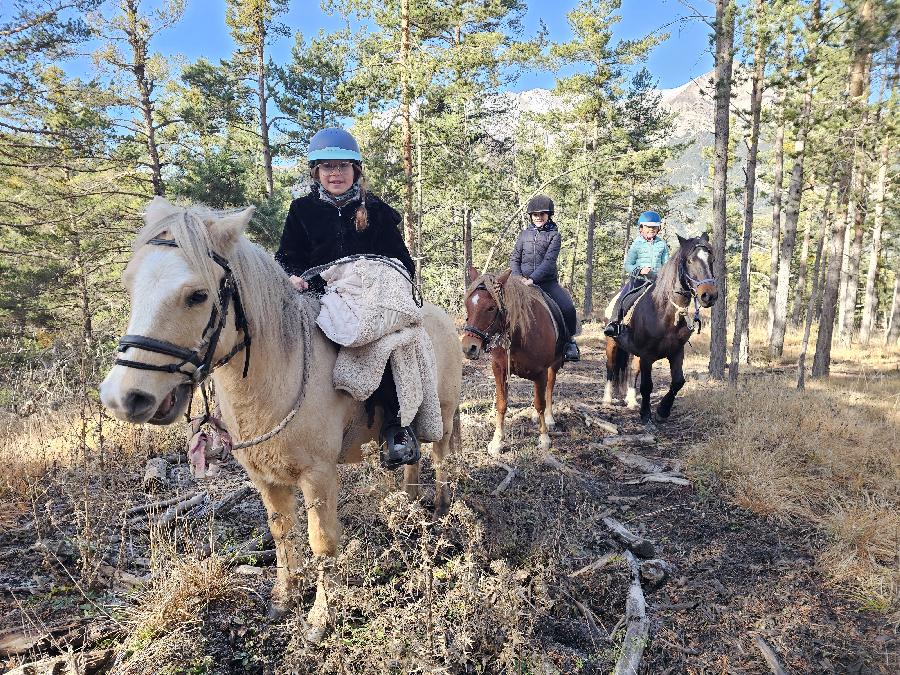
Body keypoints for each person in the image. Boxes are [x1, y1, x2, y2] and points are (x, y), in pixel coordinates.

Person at [275, 127, 419, 469]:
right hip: (317, 294)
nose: (335, 173)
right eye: (327, 167)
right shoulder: (301, 210)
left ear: (356, 170)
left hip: (366, 298)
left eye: (342, 166)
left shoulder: (378, 212)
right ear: (316, 172)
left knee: (383, 343)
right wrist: (291, 277)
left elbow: (402, 262)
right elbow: (286, 257)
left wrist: (374, 281)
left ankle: (396, 428)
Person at [510, 195, 580, 362]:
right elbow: (514, 258)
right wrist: (518, 277)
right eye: (535, 214)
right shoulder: (523, 235)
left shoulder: (554, 236)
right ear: (531, 216)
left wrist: (532, 279)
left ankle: (569, 343)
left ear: (549, 215)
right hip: (521, 281)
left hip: (547, 283)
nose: (538, 217)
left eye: (542, 214)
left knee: (568, 308)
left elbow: (549, 262)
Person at [604, 210, 670, 337]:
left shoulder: (662, 244)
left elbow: (666, 264)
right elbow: (628, 265)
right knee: (624, 297)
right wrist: (640, 270)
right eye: (648, 227)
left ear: (658, 228)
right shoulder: (636, 244)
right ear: (641, 228)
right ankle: (614, 323)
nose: (651, 229)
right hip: (638, 280)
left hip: (657, 282)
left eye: (654, 227)